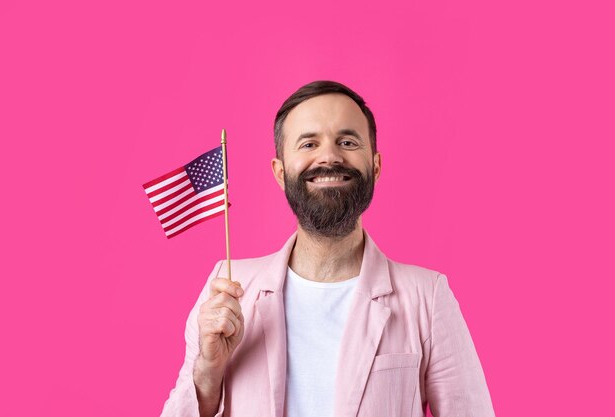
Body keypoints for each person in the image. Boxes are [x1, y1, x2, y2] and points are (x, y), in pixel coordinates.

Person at [160, 80, 495, 417]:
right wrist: (208, 370)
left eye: (347, 141)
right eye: (308, 143)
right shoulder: (229, 290)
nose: (330, 156)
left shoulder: (427, 296)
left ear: (375, 166)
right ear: (280, 173)